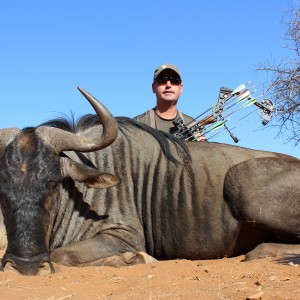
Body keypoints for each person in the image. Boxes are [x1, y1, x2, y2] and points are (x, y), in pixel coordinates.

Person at [133, 63, 206, 141]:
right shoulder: (137, 124)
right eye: (162, 80)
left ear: (181, 88)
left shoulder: (192, 125)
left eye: (174, 81)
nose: (168, 85)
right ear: (153, 87)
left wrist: (203, 145)